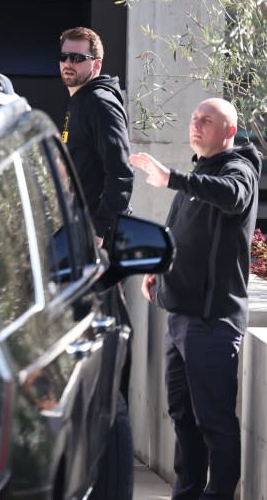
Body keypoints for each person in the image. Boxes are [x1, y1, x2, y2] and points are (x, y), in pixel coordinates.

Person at [131, 97, 260, 500]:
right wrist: (158, 266)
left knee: (214, 422)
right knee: (184, 418)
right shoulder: (198, 172)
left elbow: (232, 196)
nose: (197, 125)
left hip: (212, 322)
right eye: (194, 118)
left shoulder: (238, 170)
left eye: (207, 121)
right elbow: (181, 233)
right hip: (181, 318)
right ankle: (186, 493)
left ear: (229, 132)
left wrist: (171, 178)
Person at [59, 27, 134, 245]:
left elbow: (121, 173)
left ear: (97, 64)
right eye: (63, 57)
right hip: (76, 228)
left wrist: (99, 230)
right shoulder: (79, 101)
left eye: (78, 58)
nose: (68, 63)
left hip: (98, 238)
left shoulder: (100, 103)